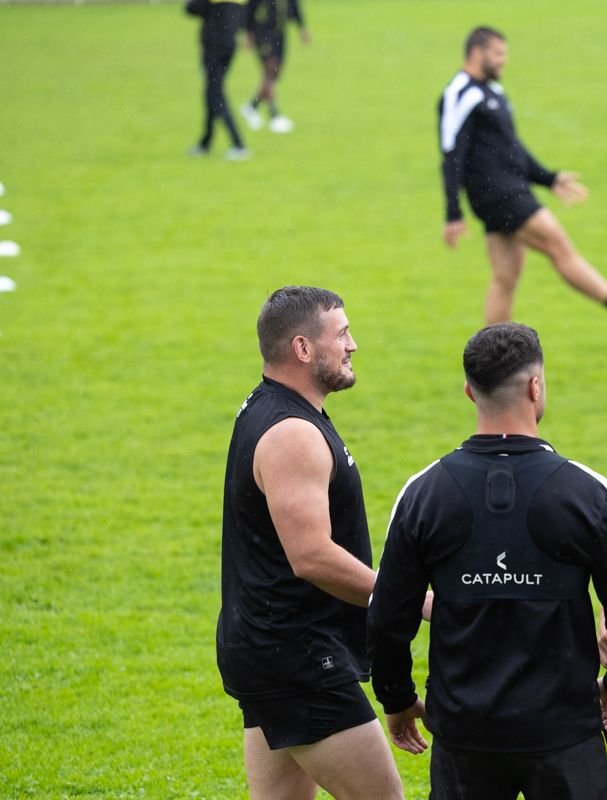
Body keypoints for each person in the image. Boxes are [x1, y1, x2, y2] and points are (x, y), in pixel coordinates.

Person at [367, 323, 607, 800]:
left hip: (465, 737)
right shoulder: (586, 492)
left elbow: (386, 620)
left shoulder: (423, 493)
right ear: (535, 386)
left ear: (468, 391)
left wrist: (397, 700)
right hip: (565, 733)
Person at [218, 286, 416, 800]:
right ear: (303, 349)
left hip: (269, 649)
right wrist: (410, 599)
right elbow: (311, 556)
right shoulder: (291, 433)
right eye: (342, 334)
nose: (353, 345)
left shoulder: (271, 409)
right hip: (299, 659)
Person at [440, 27, 607, 327]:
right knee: (558, 246)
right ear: (476, 52)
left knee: (505, 279)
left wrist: (548, 179)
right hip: (499, 195)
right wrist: (453, 213)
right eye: (498, 54)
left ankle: (489, 363)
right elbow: (451, 154)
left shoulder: (493, 91)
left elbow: (513, 149)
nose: (504, 61)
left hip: (504, 192)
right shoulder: (460, 93)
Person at [185, 0, 251, 161]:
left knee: (215, 94)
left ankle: (238, 144)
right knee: (211, 93)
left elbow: (190, 9)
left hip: (213, 46)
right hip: (229, 45)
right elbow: (244, 19)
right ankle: (205, 142)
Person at [240, 0, 310, 133]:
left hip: (280, 32)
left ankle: (252, 106)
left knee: (276, 73)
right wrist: (249, 33)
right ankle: (274, 115)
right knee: (270, 71)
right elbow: (250, 8)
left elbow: (295, 5)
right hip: (264, 32)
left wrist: (302, 28)